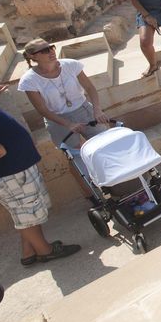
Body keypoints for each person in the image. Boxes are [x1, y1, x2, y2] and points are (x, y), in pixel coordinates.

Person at [0, 68, 82, 265]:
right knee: (27, 214)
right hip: (9, 174)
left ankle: (28, 252)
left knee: (26, 213)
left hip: (14, 172)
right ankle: (46, 251)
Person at [18, 38, 110, 200]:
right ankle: (92, 195)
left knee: (105, 146)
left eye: (50, 47)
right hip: (57, 119)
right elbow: (42, 109)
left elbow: (89, 88)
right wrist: (68, 124)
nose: (51, 52)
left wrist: (97, 109)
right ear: (33, 57)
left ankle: (118, 183)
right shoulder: (29, 80)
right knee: (75, 157)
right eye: (44, 50)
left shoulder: (70, 64)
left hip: (84, 110)